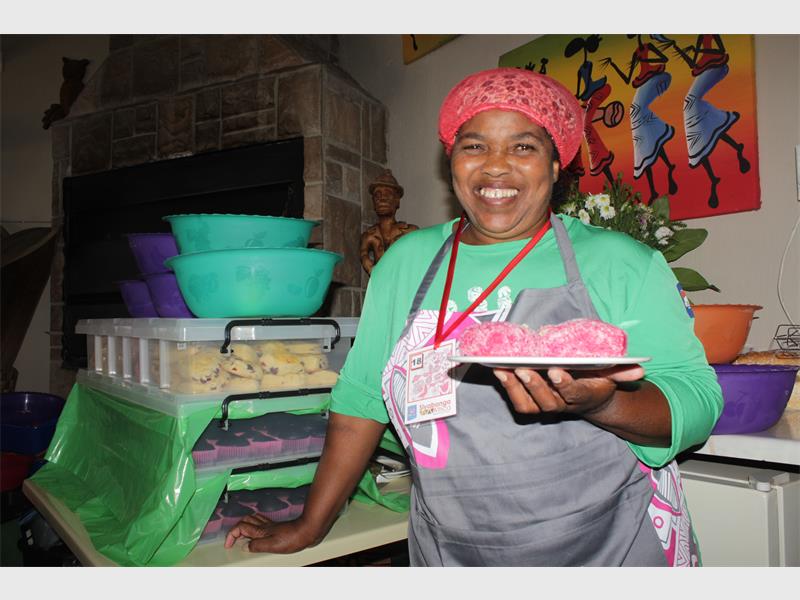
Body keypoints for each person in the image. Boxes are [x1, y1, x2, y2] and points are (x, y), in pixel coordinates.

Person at [225, 67, 723, 566]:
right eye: (475, 146)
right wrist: (311, 524)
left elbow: (697, 401)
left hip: (612, 548)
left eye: (523, 147)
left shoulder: (621, 262)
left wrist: (604, 403)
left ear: (556, 167)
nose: (496, 167)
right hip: (452, 553)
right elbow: (360, 402)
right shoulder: (405, 262)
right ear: (452, 161)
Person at [359, 169, 419, 275]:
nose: (382, 199)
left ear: (397, 201)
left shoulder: (410, 232)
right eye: (377, 195)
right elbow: (363, 253)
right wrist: (368, 263)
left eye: (388, 195)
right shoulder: (369, 235)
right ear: (373, 202)